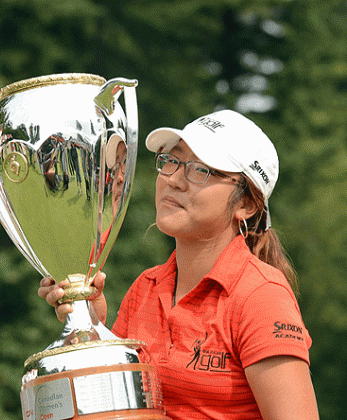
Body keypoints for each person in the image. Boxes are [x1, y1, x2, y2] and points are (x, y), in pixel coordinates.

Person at [38, 110, 319, 420]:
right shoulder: (146, 286)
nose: (173, 180)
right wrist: (92, 325)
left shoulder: (262, 296)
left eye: (201, 170)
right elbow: (115, 408)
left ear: (246, 204)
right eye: (172, 161)